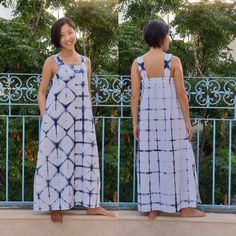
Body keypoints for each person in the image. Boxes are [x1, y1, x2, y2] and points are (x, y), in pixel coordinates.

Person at [34, 17, 114, 223]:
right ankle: (55, 205)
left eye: (70, 32)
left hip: (82, 120)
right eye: (62, 35)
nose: (67, 38)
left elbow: (86, 92)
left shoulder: (86, 62)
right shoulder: (52, 62)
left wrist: (89, 118)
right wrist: (46, 119)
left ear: (75, 32)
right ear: (57, 39)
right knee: (57, 159)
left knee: (85, 159)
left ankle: (92, 204)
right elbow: (41, 92)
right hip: (56, 121)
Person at [131, 20, 205, 219]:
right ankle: (186, 208)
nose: (169, 39)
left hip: (148, 120)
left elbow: (134, 96)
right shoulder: (173, 61)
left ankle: (153, 207)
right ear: (162, 38)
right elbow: (181, 94)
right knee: (179, 159)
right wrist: (188, 122)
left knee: (151, 159)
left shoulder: (138, 63)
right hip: (172, 119)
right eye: (168, 35)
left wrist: (135, 123)